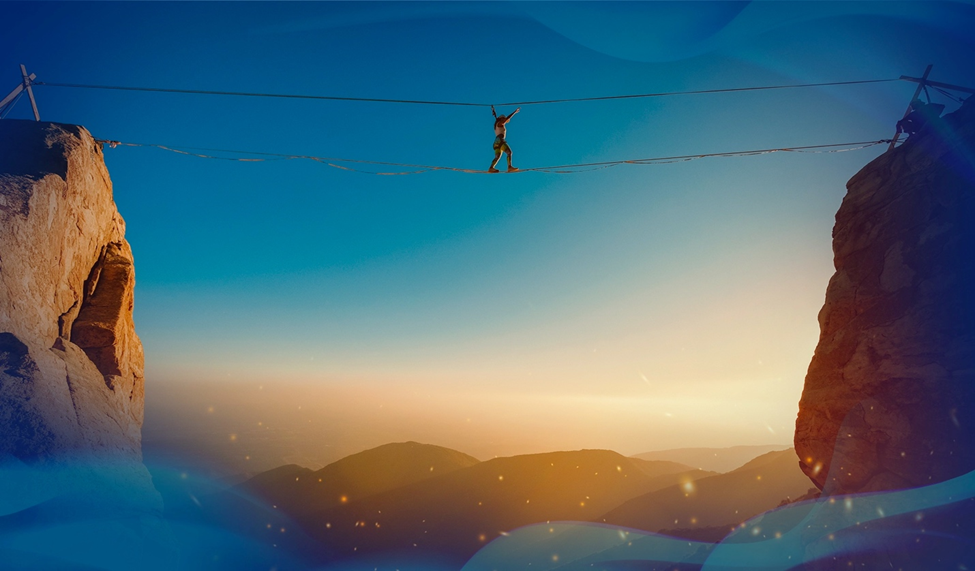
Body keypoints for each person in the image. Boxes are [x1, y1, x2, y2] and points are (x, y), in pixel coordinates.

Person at [489, 105, 520, 173]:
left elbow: (497, 118)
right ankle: (509, 167)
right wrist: (515, 112)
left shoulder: (497, 124)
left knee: (497, 156)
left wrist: (493, 111)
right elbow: (506, 119)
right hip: (500, 140)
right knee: (509, 152)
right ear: (502, 119)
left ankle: (491, 168)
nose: (505, 121)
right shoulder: (500, 123)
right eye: (504, 119)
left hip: (496, 142)